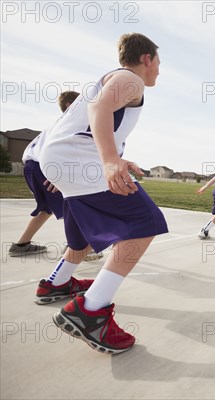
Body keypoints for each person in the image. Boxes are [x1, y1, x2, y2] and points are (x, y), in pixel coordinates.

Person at [38, 33, 168, 354]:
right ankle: (91, 310)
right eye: (158, 64)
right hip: (77, 158)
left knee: (81, 238)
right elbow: (100, 108)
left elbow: (91, 119)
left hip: (64, 158)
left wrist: (111, 158)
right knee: (145, 221)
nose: (159, 72)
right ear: (147, 59)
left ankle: (56, 284)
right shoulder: (130, 78)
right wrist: (109, 161)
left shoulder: (110, 79)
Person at [9, 91, 103, 262]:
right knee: (73, 202)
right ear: (70, 106)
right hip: (44, 164)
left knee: (47, 208)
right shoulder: (71, 122)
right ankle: (75, 247)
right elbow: (64, 149)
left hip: (33, 164)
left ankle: (21, 245)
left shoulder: (60, 123)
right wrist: (56, 173)